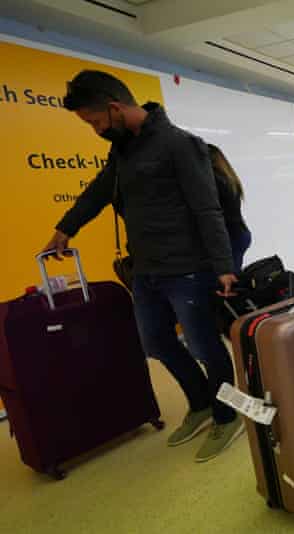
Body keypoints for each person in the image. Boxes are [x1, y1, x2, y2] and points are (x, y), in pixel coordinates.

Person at [42, 70, 243, 463]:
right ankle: (201, 401)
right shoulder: (122, 151)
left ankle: (227, 414)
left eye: (96, 122)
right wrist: (65, 229)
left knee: (204, 345)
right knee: (157, 342)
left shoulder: (180, 145)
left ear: (115, 108)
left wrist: (224, 266)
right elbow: (98, 192)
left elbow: (207, 208)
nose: (96, 130)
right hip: (147, 271)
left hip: (189, 269)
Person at [207, 144, 251, 272]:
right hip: (240, 234)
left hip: (231, 237)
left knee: (228, 281)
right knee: (233, 276)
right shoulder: (229, 178)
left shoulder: (214, 179)